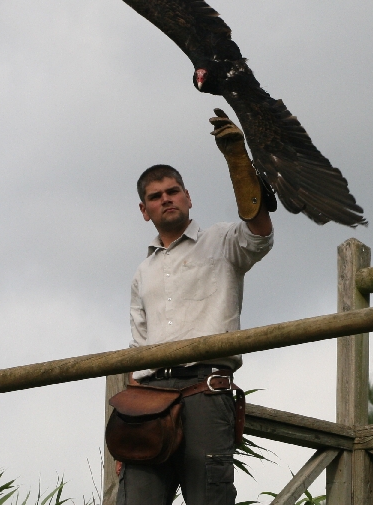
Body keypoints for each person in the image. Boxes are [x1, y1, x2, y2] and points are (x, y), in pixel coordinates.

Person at [117, 109, 274, 505]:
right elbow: (138, 351)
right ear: (144, 210)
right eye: (155, 196)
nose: (166, 199)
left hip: (205, 389)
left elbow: (260, 235)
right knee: (136, 499)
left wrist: (238, 162)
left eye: (173, 191)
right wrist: (128, 417)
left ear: (187, 196)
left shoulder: (222, 241)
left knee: (210, 497)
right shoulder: (142, 272)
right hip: (150, 401)